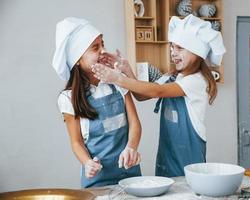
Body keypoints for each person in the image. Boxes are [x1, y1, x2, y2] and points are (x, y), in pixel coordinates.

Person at [92, 14, 226, 177]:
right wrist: (127, 69)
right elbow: (142, 95)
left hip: (189, 159)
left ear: (197, 52)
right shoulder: (172, 77)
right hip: (167, 157)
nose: (173, 53)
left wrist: (116, 78)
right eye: (172, 47)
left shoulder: (196, 81)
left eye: (180, 48)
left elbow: (157, 91)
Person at [52, 17, 142, 188]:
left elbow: (135, 124)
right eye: (95, 47)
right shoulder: (68, 99)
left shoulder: (118, 81)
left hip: (130, 176)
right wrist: (87, 163)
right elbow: (76, 142)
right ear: (77, 59)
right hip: (97, 180)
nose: (103, 51)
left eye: (102, 44)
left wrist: (131, 147)